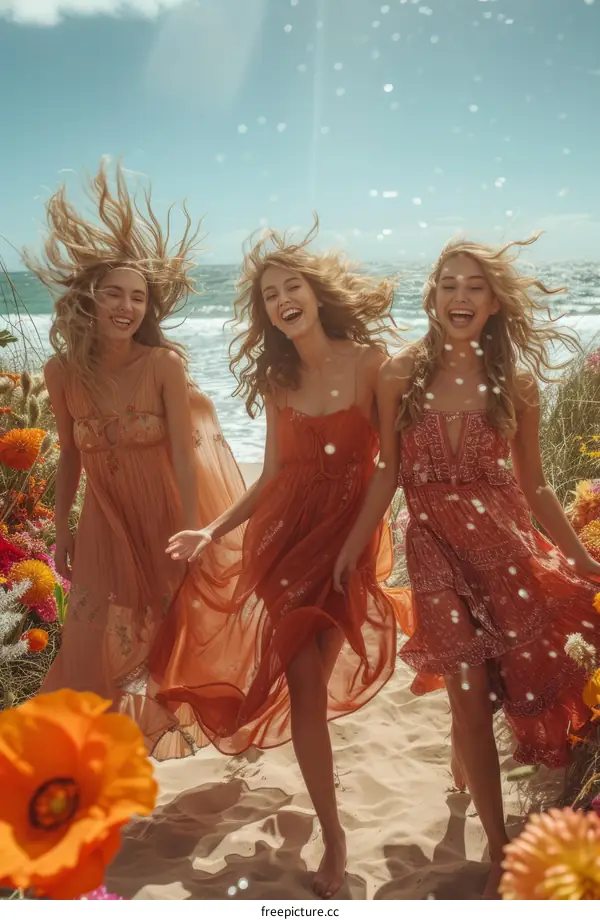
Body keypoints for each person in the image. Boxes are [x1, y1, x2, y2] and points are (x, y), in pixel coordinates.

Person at [333, 234, 600, 898]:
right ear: (433, 294)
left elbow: (536, 487)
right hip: (431, 545)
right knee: (469, 692)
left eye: (474, 286)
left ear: (493, 302)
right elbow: (387, 472)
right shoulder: (399, 373)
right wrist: (352, 548)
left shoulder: (518, 382)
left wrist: (582, 557)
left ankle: (463, 765)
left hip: (504, 544)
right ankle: (499, 848)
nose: (460, 296)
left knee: (502, 683)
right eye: (449, 283)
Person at [151, 221, 402, 898]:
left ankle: (327, 818)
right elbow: (271, 477)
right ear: (265, 313)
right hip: (284, 544)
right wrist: (211, 530)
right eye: (269, 294)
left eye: (292, 286)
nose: (283, 299)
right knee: (306, 687)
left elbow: (389, 469)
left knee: (311, 686)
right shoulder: (277, 376)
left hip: (347, 541)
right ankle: (335, 834)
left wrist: (355, 547)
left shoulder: (371, 361)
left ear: (316, 294)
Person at [27, 163, 245, 760]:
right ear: (89, 301)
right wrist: (63, 528)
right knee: (93, 631)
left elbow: (181, 452)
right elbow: (70, 454)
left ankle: (199, 720)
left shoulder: (162, 366)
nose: (126, 306)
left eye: (138, 297)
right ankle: (82, 746)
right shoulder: (61, 372)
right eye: (114, 293)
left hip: (167, 514)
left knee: (171, 625)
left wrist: (188, 527)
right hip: (104, 513)